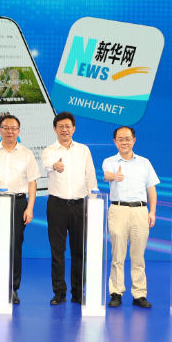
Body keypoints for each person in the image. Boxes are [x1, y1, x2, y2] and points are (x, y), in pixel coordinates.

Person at [0, 115, 40, 304]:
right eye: (6, 128)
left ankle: (13, 289)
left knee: (15, 246)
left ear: (18, 131)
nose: (9, 131)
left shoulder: (26, 154)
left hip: (18, 203)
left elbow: (32, 182)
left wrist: (30, 207)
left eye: (13, 128)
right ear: (0, 130)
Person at [41, 112, 97, 305]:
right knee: (57, 252)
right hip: (56, 206)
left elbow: (90, 177)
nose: (64, 129)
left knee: (79, 252)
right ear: (55, 129)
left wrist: (93, 202)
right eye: (61, 126)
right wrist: (55, 165)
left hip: (79, 206)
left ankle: (78, 292)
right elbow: (47, 164)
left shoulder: (83, 150)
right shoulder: (49, 150)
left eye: (68, 126)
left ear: (74, 129)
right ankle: (59, 292)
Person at [102, 126, 159, 308]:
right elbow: (107, 175)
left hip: (140, 211)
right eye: (120, 139)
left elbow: (151, 188)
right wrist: (114, 176)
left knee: (138, 256)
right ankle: (116, 293)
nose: (124, 142)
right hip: (118, 210)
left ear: (134, 140)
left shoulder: (144, 163)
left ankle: (139, 294)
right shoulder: (110, 161)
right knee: (117, 255)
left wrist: (152, 212)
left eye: (127, 138)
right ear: (115, 142)